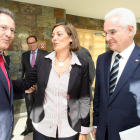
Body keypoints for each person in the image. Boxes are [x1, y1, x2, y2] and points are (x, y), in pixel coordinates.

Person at [13, 22, 91, 140]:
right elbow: (26, 83)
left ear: (71, 38)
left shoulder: (81, 65)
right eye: (53, 35)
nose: (54, 38)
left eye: (59, 34)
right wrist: (4, 81)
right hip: (43, 125)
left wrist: (84, 130)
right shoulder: (43, 61)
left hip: (69, 128)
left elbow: (84, 99)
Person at [92, 8, 140, 140]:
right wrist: (96, 125)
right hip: (103, 132)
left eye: (112, 32)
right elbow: (98, 96)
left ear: (130, 30)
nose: (107, 38)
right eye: (106, 33)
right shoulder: (102, 59)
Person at [0, 7, 34, 140]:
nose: (9, 34)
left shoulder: (3, 58)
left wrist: (25, 90)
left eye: (12, 30)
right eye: (3, 27)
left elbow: (5, 88)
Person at [17, 35, 48, 136]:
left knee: (41, 108)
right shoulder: (24, 55)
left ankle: (42, 128)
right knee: (29, 108)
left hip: (41, 87)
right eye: (29, 43)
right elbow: (21, 71)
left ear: (37, 42)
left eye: (33, 42)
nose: (31, 45)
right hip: (28, 88)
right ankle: (29, 127)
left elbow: (48, 71)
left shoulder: (45, 53)